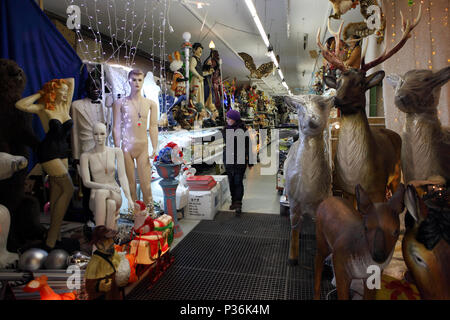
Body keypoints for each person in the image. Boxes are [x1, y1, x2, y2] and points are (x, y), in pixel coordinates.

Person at [15, 78, 75, 251]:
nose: (65, 93)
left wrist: (63, 86)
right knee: (68, 189)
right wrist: (41, 93)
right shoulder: (44, 108)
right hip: (48, 153)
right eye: (61, 91)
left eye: (65, 91)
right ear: (53, 92)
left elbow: (71, 81)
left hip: (63, 153)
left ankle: (55, 236)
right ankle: (51, 239)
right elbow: (21, 105)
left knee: (56, 195)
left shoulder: (64, 106)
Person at [112, 69, 158, 212]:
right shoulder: (120, 103)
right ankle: (135, 212)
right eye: (134, 80)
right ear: (129, 81)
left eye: (139, 80)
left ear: (143, 81)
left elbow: (153, 126)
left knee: (146, 184)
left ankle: (149, 212)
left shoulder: (151, 104)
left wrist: (155, 147)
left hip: (143, 147)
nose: (137, 83)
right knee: (130, 184)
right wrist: (117, 146)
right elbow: (116, 127)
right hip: (126, 147)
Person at [80, 123, 133, 230]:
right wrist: (106, 187)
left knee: (107, 198)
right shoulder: (85, 156)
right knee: (110, 204)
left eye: (102, 133)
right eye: (96, 134)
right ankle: (108, 235)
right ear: (92, 135)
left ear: (106, 134)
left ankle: (98, 236)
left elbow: (122, 177)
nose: (99, 137)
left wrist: (129, 199)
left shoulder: (116, 152)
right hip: (95, 196)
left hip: (114, 193)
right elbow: (86, 182)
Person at [72, 74, 107, 222]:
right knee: (88, 189)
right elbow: (74, 132)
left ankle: (102, 216)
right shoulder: (77, 106)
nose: (95, 89)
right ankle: (88, 218)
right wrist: (75, 156)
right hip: (86, 151)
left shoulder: (105, 106)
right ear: (86, 87)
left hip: (103, 152)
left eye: (98, 85)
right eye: (92, 85)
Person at [222, 109, 253, 216]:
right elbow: (213, 137)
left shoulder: (243, 131)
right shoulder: (225, 130)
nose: (227, 120)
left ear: (235, 119)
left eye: (229, 118)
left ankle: (238, 203)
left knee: (238, 181)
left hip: (240, 160)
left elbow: (249, 146)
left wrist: (251, 161)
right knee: (231, 181)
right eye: (227, 118)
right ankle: (233, 200)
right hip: (228, 160)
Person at [84, 225, 122, 300]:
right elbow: (88, 286)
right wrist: (99, 286)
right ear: (98, 243)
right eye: (107, 240)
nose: (111, 242)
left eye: (111, 239)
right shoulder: (95, 261)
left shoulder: (113, 254)